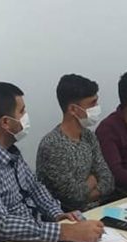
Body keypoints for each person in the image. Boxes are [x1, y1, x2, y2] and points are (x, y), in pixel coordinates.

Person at [0, 82, 104, 242]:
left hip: (31, 241)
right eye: (22, 111)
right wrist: (64, 231)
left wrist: (57, 215)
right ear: (6, 122)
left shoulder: (8, 150)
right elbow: (1, 224)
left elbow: (35, 188)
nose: (26, 116)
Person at [36, 74, 114, 212]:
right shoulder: (52, 145)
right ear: (73, 109)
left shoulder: (89, 136)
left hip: (100, 209)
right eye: (92, 103)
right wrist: (92, 180)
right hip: (70, 217)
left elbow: (108, 180)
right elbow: (72, 197)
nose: (97, 107)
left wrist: (89, 189)